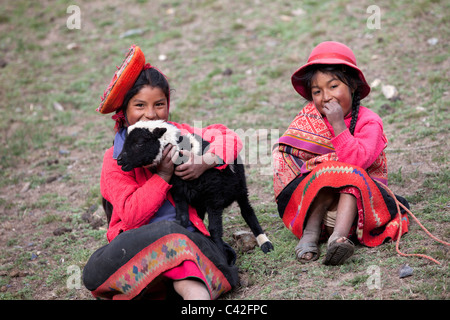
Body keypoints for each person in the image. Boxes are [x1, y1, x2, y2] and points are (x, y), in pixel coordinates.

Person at [83, 45, 241, 300]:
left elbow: (229, 137)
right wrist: (163, 176)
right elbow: (133, 218)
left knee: (180, 246)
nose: (150, 114)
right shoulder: (114, 160)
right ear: (124, 113)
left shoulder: (177, 135)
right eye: (139, 105)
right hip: (135, 246)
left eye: (159, 104)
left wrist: (204, 160)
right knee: (169, 234)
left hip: (185, 242)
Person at [272, 41, 410, 265]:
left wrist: (339, 126)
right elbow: (290, 163)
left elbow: (355, 162)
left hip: (361, 211)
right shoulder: (309, 121)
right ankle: (310, 234)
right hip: (315, 207)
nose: (325, 97)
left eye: (333, 86)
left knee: (349, 176)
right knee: (324, 175)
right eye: (317, 91)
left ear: (353, 86)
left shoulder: (369, 122)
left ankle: (338, 239)